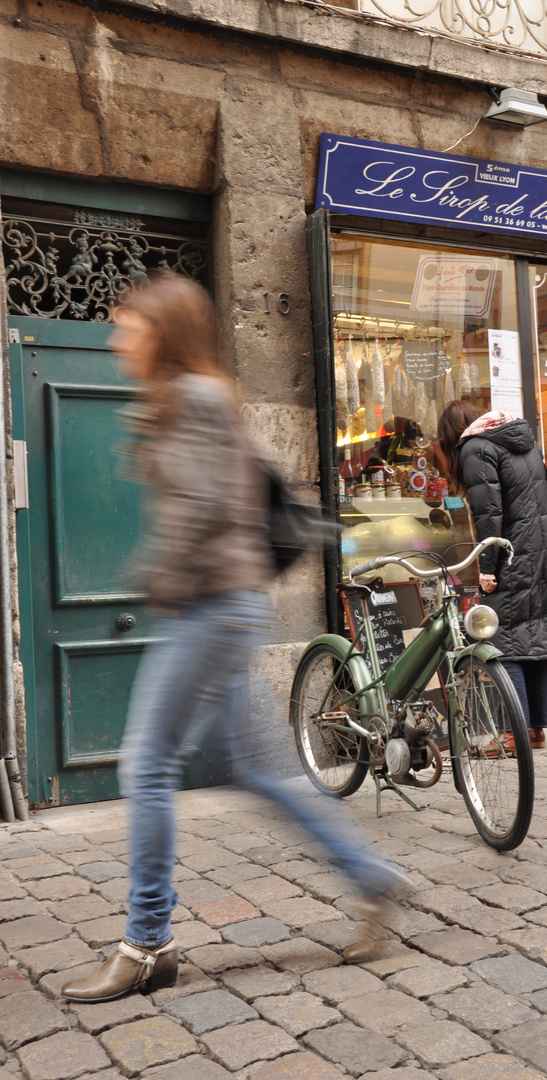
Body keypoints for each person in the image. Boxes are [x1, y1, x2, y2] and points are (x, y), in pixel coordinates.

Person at [61, 274, 408, 1004]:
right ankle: (369, 875)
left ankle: (146, 941)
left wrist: (154, 575)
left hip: (209, 609)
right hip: (223, 606)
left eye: (129, 324)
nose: (118, 336)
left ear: (165, 332)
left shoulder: (189, 400)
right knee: (250, 771)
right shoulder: (195, 399)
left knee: (146, 766)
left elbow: (204, 515)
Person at [437, 400, 547, 750]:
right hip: (540, 554)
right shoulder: (524, 441)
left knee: (504, 643)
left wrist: (487, 568)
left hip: (511, 556)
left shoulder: (475, 448)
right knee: (534, 639)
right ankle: (535, 730)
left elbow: (488, 514)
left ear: (451, 434)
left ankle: (512, 734)